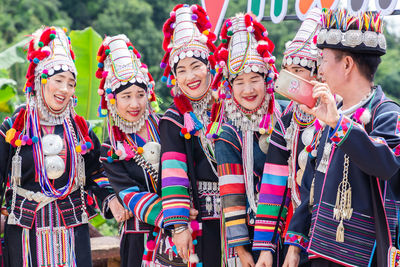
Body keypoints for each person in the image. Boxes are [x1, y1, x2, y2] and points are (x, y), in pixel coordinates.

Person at [283, 9, 400, 267]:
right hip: (319, 250)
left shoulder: (387, 114)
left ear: (347, 64)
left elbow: (387, 165)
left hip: (362, 256)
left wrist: (339, 124)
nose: (320, 69)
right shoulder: (333, 112)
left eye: (323, 60)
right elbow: (311, 183)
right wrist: (294, 243)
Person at [0, 26, 119, 267]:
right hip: (26, 230)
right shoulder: (15, 126)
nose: (65, 90)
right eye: (59, 81)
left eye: (71, 83)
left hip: (71, 228)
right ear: (40, 80)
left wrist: (111, 200)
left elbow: (97, 172)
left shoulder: (80, 129)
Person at [253, 8, 322, 267]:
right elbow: (273, 185)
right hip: (293, 225)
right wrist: (265, 248)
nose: (290, 76)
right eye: (287, 69)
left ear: (317, 73)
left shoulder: (337, 116)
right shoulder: (285, 121)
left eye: (299, 70)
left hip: (327, 227)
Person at [213, 13, 282, 266]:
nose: (248, 90)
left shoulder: (284, 116)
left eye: (255, 80)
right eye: (239, 82)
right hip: (253, 233)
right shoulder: (227, 132)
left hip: (289, 227)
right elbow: (231, 193)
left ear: (267, 80)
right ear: (229, 87)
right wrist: (241, 250)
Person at [159, 4, 222, 266]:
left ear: (209, 66)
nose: (189, 76)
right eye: (181, 70)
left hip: (242, 212)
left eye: (195, 66)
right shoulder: (173, 120)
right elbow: (173, 172)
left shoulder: (229, 106)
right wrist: (179, 225)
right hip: (203, 220)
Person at [95, 34, 164, 267]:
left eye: (140, 95)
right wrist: (176, 218)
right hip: (139, 239)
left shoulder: (168, 127)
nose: (135, 104)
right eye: (126, 96)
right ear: (112, 101)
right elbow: (128, 194)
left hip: (185, 233)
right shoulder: (111, 149)